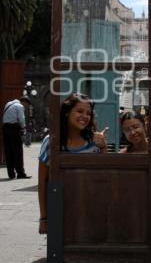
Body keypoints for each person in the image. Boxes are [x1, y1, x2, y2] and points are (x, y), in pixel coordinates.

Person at [38, 93, 109, 234]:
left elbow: (104, 176)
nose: (85, 116)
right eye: (79, 111)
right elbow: (42, 182)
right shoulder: (51, 141)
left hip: (90, 206)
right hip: (60, 207)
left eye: (88, 113)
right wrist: (44, 218)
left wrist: (103, 147)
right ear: (66, 113)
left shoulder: (94, 141)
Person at [2, 96, 32, 179]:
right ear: (24, 102)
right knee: (18, 152)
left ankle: (11, 174)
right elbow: (22, 119)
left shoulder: (8, 104)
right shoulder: (19, 106)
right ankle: (20, 173)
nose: (25, 107)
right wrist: (23, 128)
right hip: (14, 129)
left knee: (9, 152)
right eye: (26, 105)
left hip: (5, 129)